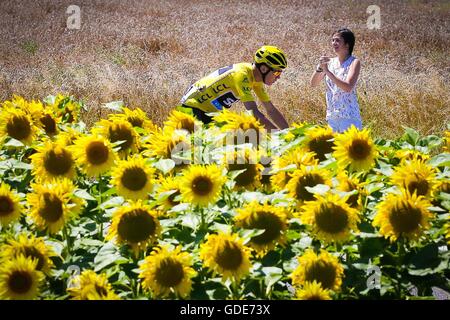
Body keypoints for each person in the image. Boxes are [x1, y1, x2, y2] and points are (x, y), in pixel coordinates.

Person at [177, 46, 289, 130]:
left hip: (209, 112)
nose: (279, 77)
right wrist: (277, 135)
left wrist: (289, 133)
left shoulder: (256, 79)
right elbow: (253, 112)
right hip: (192, 107)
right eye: (277, 72)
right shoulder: (241, 74)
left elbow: (270, 109)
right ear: (264, 69)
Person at [310, 28, 362, 132]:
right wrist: (320, 68)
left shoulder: (354, 62)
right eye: (333, 40)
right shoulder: (329, 62)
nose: (334, 43)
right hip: (332, 117)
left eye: (338, 40)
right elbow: (313, 83)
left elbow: (348, 87)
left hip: (349, 117)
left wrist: (328, 72)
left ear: (347, 44)